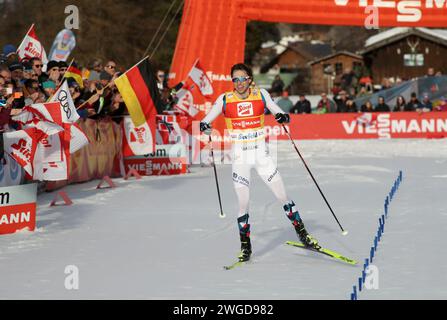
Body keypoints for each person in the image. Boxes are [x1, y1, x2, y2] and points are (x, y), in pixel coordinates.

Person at [199, 63, 319, 263]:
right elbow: (204, 122)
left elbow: (283, 115)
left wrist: (282, 117)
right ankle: (245, 247)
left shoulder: (261, 94)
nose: (239, 83)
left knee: (282, 196)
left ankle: (303, 234)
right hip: (240, 159)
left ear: (250, 80)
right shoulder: (225, 100)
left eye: (242, 78)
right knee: (243, 203)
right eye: (235, 79)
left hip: (262, 156)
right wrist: (206, 128)